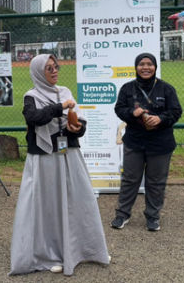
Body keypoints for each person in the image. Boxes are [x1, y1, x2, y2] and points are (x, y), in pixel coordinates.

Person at [9, 54, 109, 276]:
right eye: (49, 68)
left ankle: (82, 249)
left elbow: (79, 120)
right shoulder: (31, 96)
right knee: (49, 206)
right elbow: (34, 118)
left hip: (69, 154)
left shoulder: (65, 92)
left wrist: (77, 128)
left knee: (78, 201)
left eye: (56, 67)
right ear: (37, 72)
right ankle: (50, 254)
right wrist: (59, 107)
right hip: (45, 159)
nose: (54, 71)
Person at [111, 53, 182, 232]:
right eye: (141, 64)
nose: (145, 67)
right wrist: (131, 114)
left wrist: (160, 119)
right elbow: (119, 109)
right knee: (130, 179)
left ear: (155, 67)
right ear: (136, 67)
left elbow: (175, 111)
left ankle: (153, 216)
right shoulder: (127, 88)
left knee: (156, 181)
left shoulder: (166, 89)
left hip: (160, 143)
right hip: (135, 141)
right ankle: (122, 214)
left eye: (149, 64)